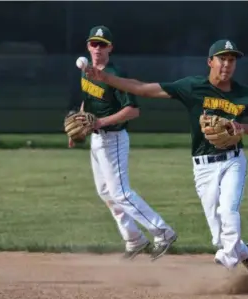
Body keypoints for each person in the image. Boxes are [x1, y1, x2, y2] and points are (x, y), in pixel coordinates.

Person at [84, 39, 248, 276]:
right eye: (222, 59)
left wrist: (242, 127)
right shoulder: (192, 87)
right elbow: (143, 89)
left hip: (233, 161)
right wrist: (106, 79)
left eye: (232, 60)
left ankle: (227, 259)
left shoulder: (245, 94)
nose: (227, 64)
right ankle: (247, 254)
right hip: (203, 167)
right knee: (220, 235)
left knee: (228, 211)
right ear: (210, 62)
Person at [68, 25, 178, 261]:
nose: (97, 48)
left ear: (110, 48)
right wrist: (77, 127)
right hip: (97, 141)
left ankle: (163, 232)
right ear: (88, 46)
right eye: (93, 43)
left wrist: (101, 122)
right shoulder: (86, 71)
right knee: (106, 192)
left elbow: (132, 111)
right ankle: (134, 239)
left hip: (114, 139)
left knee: (121, 193)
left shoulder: (116, 75)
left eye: (102, 44)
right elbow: (87, 103)